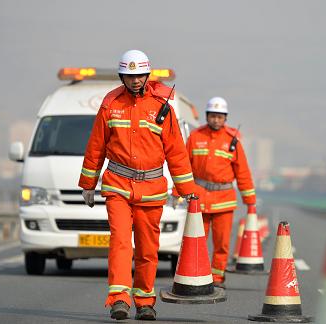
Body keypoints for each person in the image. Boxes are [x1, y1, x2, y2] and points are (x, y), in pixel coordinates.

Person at [78, 49, 196, 321]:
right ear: (122, 76)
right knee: (120, 241)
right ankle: (119, 299)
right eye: (129, 76)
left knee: (147, 248)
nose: (135, 81)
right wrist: (88, 184)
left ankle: (144, 301)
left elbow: (176, 151)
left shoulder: (161, 105)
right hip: (118, 185)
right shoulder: (110, 104)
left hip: (152, 188)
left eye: (139, 75)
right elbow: (96, 146)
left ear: (147, 75)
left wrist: (185, 189)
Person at [186, 96, 256, 288]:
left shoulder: (232, 141)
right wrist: (178, 192)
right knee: (197, 240)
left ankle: (217, 277)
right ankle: (197, 275)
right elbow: (184, 166)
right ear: (207, 116)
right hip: (199, 197)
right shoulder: (195, 137)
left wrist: (249, 199)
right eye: (213, 116)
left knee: (222, 242)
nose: (216, 120)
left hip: (224, 200)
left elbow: (242, 172)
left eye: (220, 116)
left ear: (225, 118)